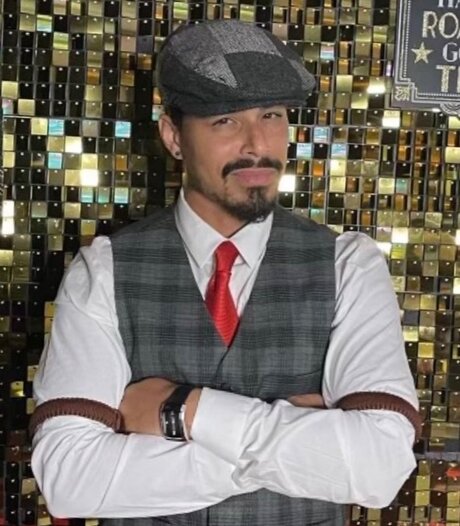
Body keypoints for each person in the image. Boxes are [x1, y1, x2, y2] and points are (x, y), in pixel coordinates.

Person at [31, 19, 420, 526]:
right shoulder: (103, 269)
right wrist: (307, 454)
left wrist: (184, 411)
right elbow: (69, 479)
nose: (257, 144)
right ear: (173, 136)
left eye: (271, 115)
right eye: (225, 121)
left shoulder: (349, 264)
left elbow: (380, 468)